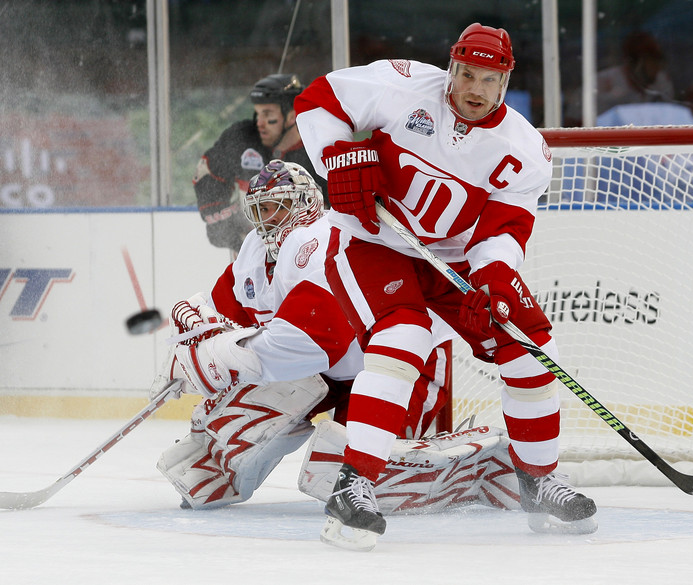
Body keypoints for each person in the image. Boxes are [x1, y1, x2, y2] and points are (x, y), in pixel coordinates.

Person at [294, 22, 598, 550]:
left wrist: (495, 277)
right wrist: (336, 157)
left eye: (489, 79)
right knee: (402, 337)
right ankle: (354, 486)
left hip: (451, 260)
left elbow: (502, 230)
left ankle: (539, 480)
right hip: (370, 240)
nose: (475, 90)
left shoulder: (525, 149)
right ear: (450, 68)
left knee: (531, 347)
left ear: (505, 82)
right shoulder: (401, 85)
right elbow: (317, 100)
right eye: (467, 75)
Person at [157, 160, 461, 510]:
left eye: (275, 208)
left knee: (349, 476)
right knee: (253, 398)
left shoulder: (321, 240)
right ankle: (220, 467)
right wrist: (193, 339)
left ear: (305, 204)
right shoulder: (254, 253)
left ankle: (466, 473)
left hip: (398, 362)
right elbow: (225, 317)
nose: (266, 220)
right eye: (259, 210)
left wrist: (211, 361)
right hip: (331, 368)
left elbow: (313, 345)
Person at [192, 74, 327, 255]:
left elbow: (333, 216)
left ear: (291, 116)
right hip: (252, 258)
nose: (260, 123)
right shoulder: (242, 138)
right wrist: (228, 225)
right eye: (258, 113)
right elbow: (206, 174)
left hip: (306, 256)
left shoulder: (317, 147)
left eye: (268, 115)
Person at [595, 30, 675, 117]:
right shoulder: (604, 81)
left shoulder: (661, 80)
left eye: (659, 59)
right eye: (652, 59)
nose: (657, 66)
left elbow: (671, 116)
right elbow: (584, 122)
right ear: (636, 62)